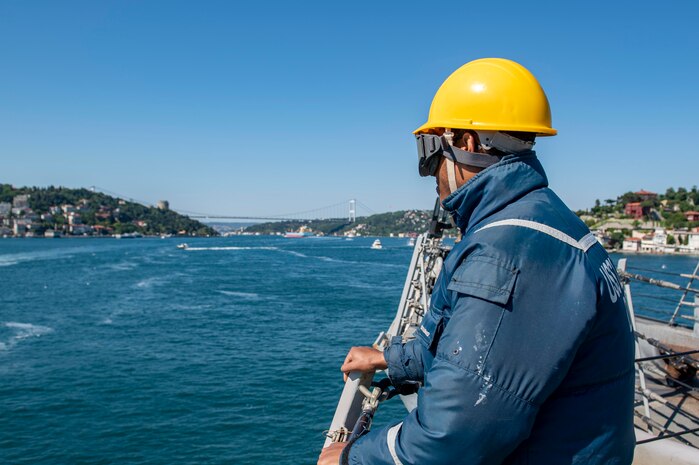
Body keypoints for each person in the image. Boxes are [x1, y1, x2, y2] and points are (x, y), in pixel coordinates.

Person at [318, 58, 636, 465]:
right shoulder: (544, 218)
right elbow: (477, 350)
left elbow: (453, 437)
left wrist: (352, 455)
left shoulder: (509, 250)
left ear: (466, 142)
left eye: (430, 151)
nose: (430, 173)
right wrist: (391, 359)